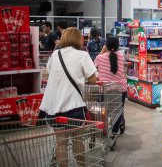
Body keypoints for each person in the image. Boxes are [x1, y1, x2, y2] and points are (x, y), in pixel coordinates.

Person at [39, 27, 97, 167]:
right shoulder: (82, 55)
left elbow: (48, 72)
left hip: (53, 107)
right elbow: (93, 79)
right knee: (77, 140)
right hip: (73, 106)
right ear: (78, 39)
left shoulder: (55, 54)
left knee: (60, 143)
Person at [95, 37, 127, 135]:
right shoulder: (121, 56)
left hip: (105, 89)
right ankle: (114, 133)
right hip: (119, 89)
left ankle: (103, 128)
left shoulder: (100, 57)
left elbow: (94, 65)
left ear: (106, 46)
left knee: (103, 109)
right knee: (117, 111)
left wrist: (103, 50)